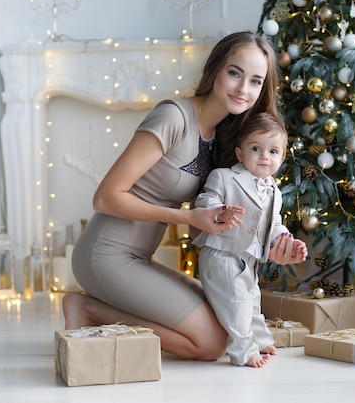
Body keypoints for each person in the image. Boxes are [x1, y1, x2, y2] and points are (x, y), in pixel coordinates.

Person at [62, 31, 308, 362]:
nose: (242, 88)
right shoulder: (174, 117)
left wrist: (274, 242)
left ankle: (97, 308)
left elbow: (201, 232)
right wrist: (186, 217)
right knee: (210, 345)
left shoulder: (224, 139)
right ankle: (88, 308)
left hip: (140, 261)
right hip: (105, 256)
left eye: (255, 81)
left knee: (225, 321)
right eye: (234, 73)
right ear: (215, 70)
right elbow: (105, 198)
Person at [192, 112, 307, 368]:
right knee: (237, 305)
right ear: (240, 153)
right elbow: (204, 201)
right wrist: (221, 210)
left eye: (273, 151)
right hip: (221, 254)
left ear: (282, 157)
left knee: (253, 298)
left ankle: (262, 339)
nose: (265, 156)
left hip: (249, 258)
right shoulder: (224, 176)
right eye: (256, 148)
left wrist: (286, 238)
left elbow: (273, 225)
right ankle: (243, 352)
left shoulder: (274, 190)